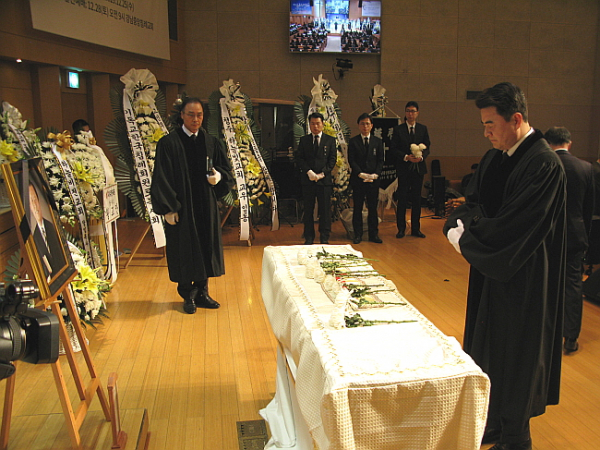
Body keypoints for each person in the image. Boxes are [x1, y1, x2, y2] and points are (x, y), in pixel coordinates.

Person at [443, 82, 566, 450]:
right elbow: (470, 204)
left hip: (523, 277)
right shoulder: (496, 158)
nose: (486, 132)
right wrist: (464, 223)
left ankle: (516, 437)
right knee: (487, 348)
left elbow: (514, 227)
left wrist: (465, 236)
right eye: (483, 125)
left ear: (516, 119)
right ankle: (493, 423)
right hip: (490, 273)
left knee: (517, 357)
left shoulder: (544, 164)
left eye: (490, 124)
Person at [151, 97, 232, 314]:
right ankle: (187, 294)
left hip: (206, 205)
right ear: (181, 115)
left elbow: (225, 171)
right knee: (185, 249)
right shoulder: (169, 144)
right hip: (182, 208)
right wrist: (168, 208)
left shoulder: (211, 142)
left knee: (206, 246)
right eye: (191, 114)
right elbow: (161, 177)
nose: (195, 119)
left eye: (199, 115)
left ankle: (203, 292)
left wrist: (219, 177)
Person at [544, 126, 594, 354]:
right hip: (575, 234)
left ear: (548, 143)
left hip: (547, 235)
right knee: (573, 285)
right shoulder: (586, 168)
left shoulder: (545, 165)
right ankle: (571, 337)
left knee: (545, 282)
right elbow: (588, 208)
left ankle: (545, 333)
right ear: (569, 143)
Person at [294, 112, 337, 245]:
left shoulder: (330, 140)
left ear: (322, 124)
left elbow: (332, 159)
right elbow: (299, 158)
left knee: (325, 210)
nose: (315, 126)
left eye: (318, 123)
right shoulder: (304, 140)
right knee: (308, 209)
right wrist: (309, 172)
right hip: (308, 180)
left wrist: (322, 174)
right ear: (309, 125)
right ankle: (309, 236)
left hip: (324, 181)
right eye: (312, 123)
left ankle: (324, 236)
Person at [390, 101, 430, 238]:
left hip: (418, 169)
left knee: (417, 199)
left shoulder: (423, 129)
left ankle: (416, 229)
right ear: (405, 113)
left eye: (413, 111)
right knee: (402, 198)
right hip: (404, 168)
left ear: (417, 113)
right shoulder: (398, 129)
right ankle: (401, 228)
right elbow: (393, 149)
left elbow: (428, 147)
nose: (410, 114)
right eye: (408, 111)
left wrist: (421, 156)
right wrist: (406, 157)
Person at [348, 113, 384, 244]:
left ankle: (373, 235)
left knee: (373, 208)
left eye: (368, 123)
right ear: (358, 125)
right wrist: (361, 174)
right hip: (359, 179)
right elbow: (351, 160)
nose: (365, 126)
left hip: (373, 180)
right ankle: (357, 234)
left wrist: (375, 174)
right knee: (357, 207)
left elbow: (380, 160)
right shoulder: (353, 141)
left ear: (372, 126)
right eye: (362, 123)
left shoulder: (377, 142)